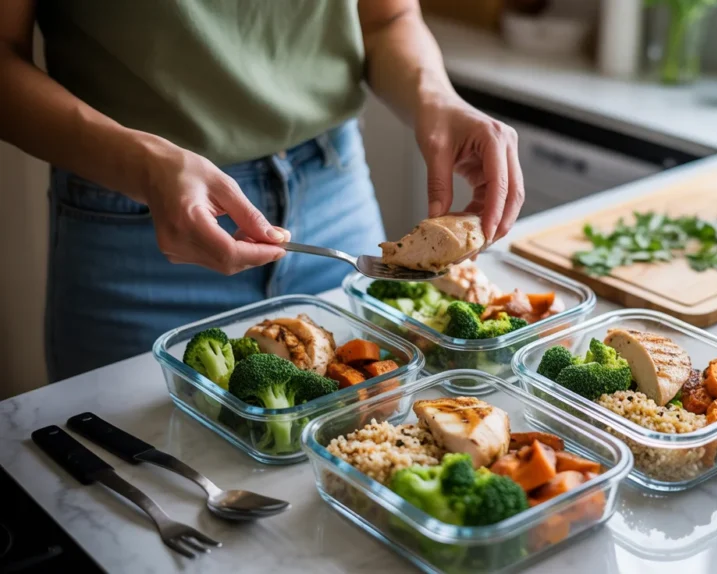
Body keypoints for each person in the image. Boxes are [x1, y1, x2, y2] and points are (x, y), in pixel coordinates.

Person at [0, 1, 525, 382]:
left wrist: (436, 96)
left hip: (334, 193)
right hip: (137, 223)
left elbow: (387, 17)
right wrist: (143, 165)